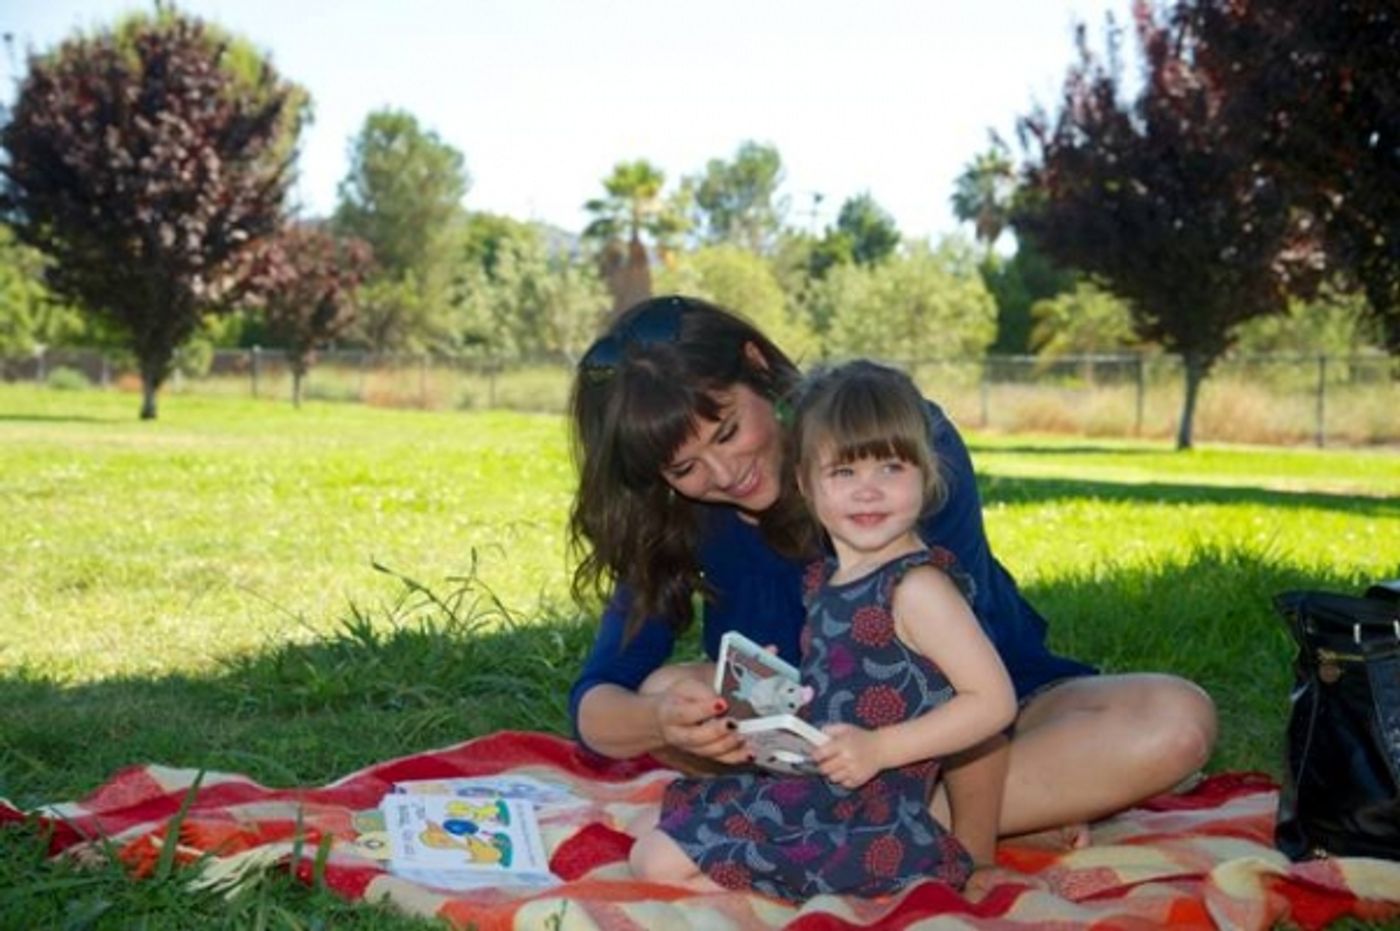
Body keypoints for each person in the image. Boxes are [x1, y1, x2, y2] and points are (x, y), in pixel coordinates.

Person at [567, 294, 1216, 858]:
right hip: (811, 745)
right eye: (685, 468)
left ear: (758, 367)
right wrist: (661, 722)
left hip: (975, 720)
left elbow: (959, 685)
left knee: (1175, 717)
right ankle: (943, 824)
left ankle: (879, 826)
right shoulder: (674, 517)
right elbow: (599, 697)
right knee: (668, 685)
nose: (723, 471)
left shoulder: (897, 445)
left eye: (728, 430)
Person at [629, 360, 1018, 899]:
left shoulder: (918, 588)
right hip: (822, 787)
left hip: (874, 819)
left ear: (927, 474)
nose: (868, 491)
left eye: (890, 467)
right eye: (843, 473)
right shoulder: (832, 580)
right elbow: (857, 689)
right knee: (655, 830)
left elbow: (994, 703)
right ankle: (775, 878)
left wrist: (882, 748)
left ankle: (831, 889)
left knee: (658, 860)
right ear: (806, 486)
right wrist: (775, 694)